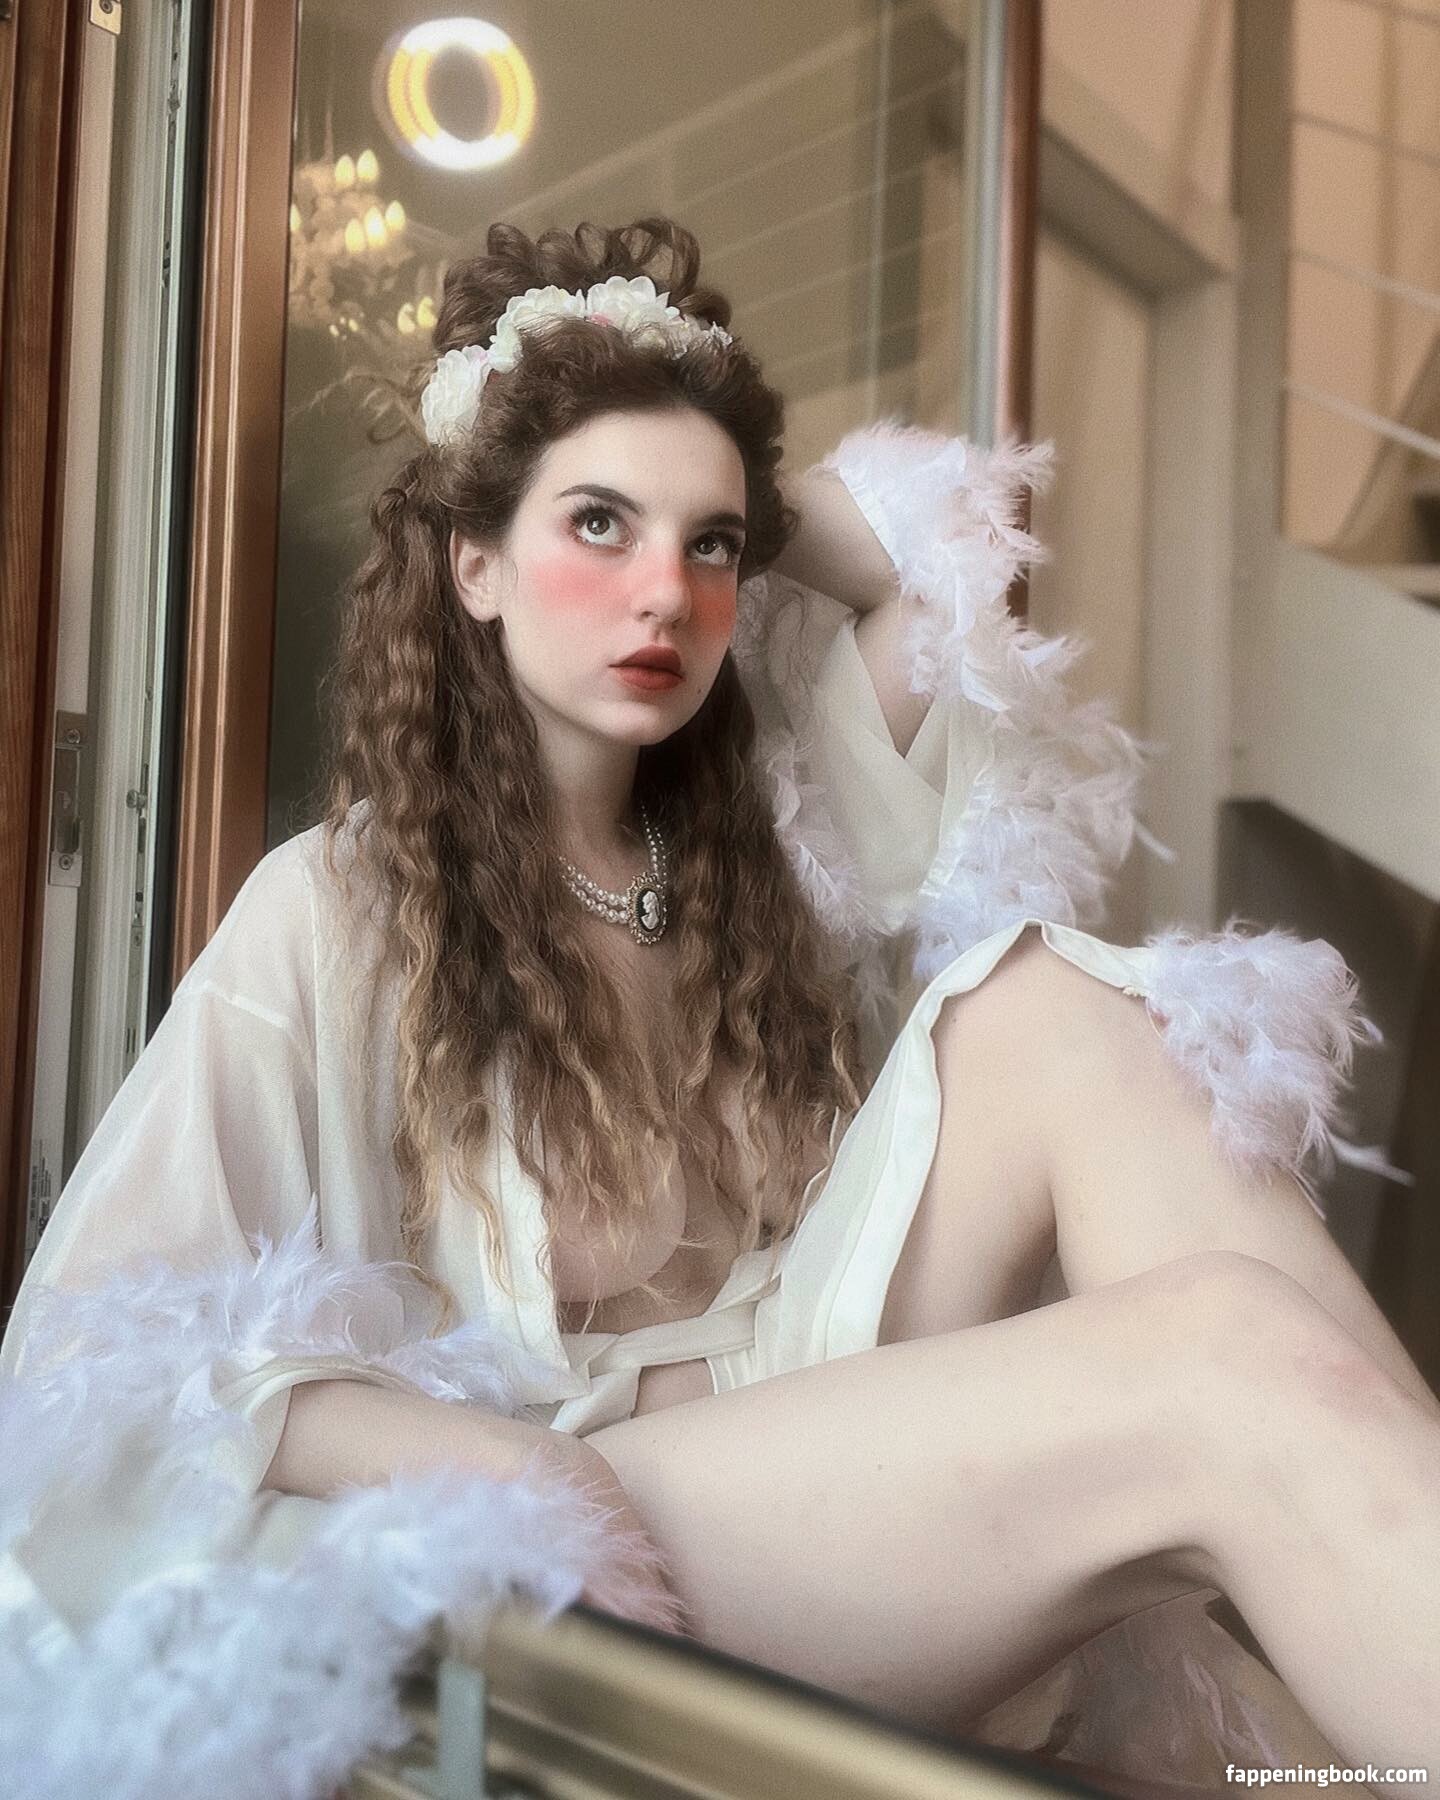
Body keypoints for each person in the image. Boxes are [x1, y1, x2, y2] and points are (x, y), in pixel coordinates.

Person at [1, 216, 1436, 1796]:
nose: (664, 596)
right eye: (596, 526)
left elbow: (939, 561)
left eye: (710, 548)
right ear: (472, 565)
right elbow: (105, 1360)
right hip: (606, 1508)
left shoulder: (758, 860)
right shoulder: (338, 907)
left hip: (821, 1398)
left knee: (1049, 1008)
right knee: (1226, 1357)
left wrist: (698, 434)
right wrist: (492, 1459)